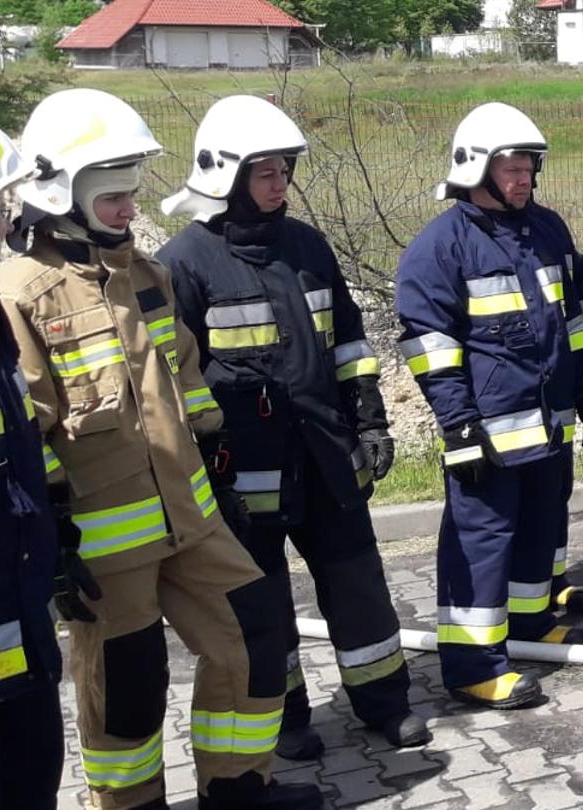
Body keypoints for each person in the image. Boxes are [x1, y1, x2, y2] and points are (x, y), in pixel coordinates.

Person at [0, 88, 320, 809]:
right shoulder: (18, 296)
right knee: (130, 688)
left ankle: (237, 789)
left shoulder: (147, 277)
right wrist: (46, 540)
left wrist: (219, 466)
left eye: (130, 191)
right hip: (103, 548)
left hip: (192, 518)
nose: (129, 208)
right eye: (111, 194)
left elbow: (188, 385)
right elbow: (22, 433)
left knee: (256, 638)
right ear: (59, 192)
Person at [157, 95, 429, 759]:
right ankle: (285, 718)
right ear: (226, 175)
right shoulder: (183, 263)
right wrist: (206, 467)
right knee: (264, 603)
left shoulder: (306, 245)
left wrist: (369, 419)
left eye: (285, 171)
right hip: (244, 470)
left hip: (326, 455)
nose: (280, 184)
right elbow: (174, 378)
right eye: (266, 173)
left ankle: (384, 704)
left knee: (358, 585)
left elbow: (348, 342)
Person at [396, 102, 583, 709]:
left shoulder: (547, 230)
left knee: (542, 528)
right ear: (475, 169)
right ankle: (471, 665)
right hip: (487, 434)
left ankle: (529, 625)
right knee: (481, 543)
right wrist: (458, 426)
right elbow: (430, 345)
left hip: (549, 423)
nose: (523, 180)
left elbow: (576, 319)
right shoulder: (440, 248)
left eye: (527, 168)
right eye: (510, 168)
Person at [0, 109, 66, 810]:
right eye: (2, 204)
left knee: (31, 777)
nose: (13, 218)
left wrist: (54, 526)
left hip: (15, 615)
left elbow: (16, 447)